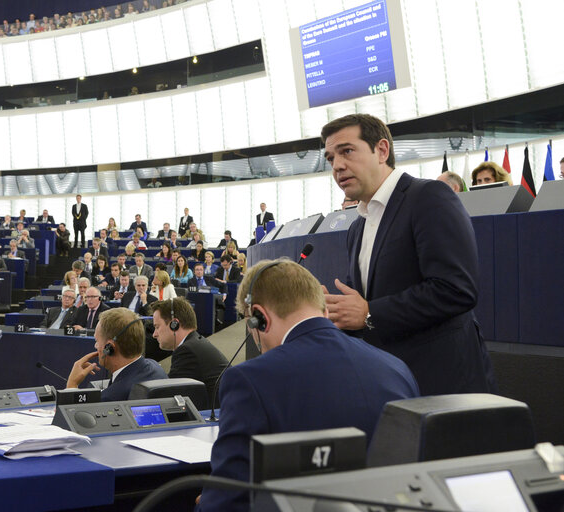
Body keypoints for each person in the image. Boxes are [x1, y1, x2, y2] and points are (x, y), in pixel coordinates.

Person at [198, 259, 418, 512]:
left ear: (260, 317)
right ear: (323, 309)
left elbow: (227, 503)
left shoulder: (249, 380)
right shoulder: (397, 369)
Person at [321, 113, 496, 395]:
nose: (338, 166)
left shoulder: (429, 197)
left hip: (445, 387)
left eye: (347, 151)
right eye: (330, 158)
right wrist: (331, 311)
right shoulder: (357, 227)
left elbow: (456, 289)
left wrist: (369, 313)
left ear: (381, 150)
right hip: (390, 385)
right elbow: (365, 302)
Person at [66, 307, 167, 401]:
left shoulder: (110, 398)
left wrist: (72, 385)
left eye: (97, 341)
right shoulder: (154, 367)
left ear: (109, 347)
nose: (95, 346)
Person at [151, 297, 228, 401]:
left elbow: (169, 396)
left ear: (174, 324)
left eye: (157, 327)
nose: (154, 334)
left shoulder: (187, 351)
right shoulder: (195, 343)